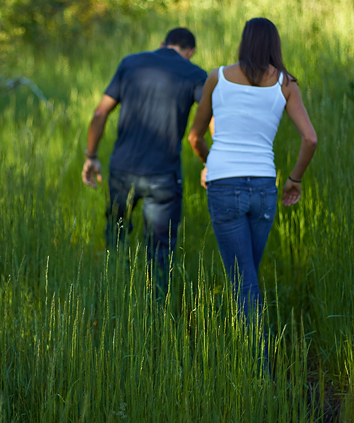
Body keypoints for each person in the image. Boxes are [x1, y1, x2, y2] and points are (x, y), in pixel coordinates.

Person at [187, 17, 317, 324]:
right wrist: (294, 180)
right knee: (247, 277)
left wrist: (210, 164)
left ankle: (256, 366)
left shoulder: (216, 78)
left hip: (223, 185)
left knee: (243, 281)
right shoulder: (286, 84)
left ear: (245, 41)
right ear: (275, 43)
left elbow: (195, 136)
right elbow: (310, 138)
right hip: (263, 188)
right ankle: (248, 353)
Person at [82, 28, 208, 293]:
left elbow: (99, 113)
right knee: (161, 253)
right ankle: (157, 315)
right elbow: (214, 119)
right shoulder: (196, 74)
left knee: (116, 236)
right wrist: (211, 162)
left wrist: (91, 156)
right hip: (163, 176)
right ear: (191, 52)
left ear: (162, 44)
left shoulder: (131, 63)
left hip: (122, 170)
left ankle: (112, 297)